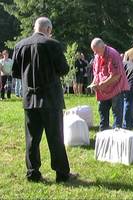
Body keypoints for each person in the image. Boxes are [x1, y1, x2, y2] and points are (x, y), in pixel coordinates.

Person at [11, 17, 77, 182]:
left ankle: (33, 173)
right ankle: (62, 174)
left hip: (29, 98)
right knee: (55, 137)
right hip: (50, 98)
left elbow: (16, 73)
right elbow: (63, 69)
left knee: (32, 138)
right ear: (48, 29)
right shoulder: (52, 44)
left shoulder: (20, 45)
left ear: (35, 28)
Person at [90, 38, 129, 131]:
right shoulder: (97, 56)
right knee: (102, 111)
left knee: (117, 113)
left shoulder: (113, 54)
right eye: (94, 52)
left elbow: (116, 76)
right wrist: (94, 83)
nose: (96, 54)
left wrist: (103, 84)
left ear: (103, 46)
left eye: (97, 51)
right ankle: (103, 133)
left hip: (116, 88)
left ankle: (117, 134)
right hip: (103, 90)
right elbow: (96, 72)